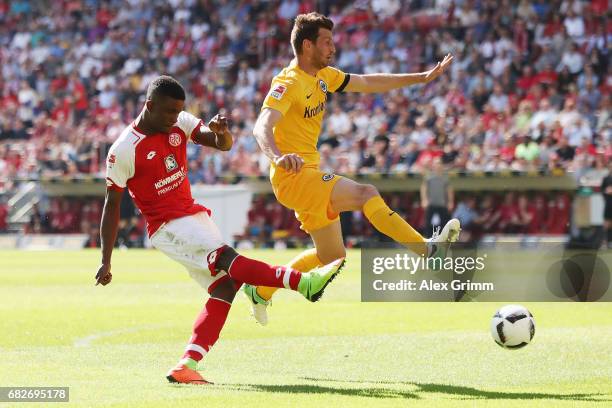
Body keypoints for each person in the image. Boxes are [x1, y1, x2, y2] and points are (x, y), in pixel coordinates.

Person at [95, 76, 345, 384]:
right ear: (149, 106)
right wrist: (106, 260)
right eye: (169, 112)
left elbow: (220, 144)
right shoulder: (123, 150)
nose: (175, 118)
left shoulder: (180, 122)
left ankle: (187, 366)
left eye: (178, 111)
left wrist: (221, 134)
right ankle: (302, 282)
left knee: (225, 287)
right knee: (227, 258)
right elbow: (112, 205)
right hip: (168, 226)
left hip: (192, 215)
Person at [246, 13, 461, 325]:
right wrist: (278, 156)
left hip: (307, 176)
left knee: (331, 256)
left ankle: (260, 292)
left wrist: (421, 77)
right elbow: (260, 128)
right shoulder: (287, 83)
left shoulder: (324, 76)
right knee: (365, 193)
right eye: (327, 42)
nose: (333, 47)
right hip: (293, 176)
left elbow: (368, 81)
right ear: (307, 46)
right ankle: (428, 251)